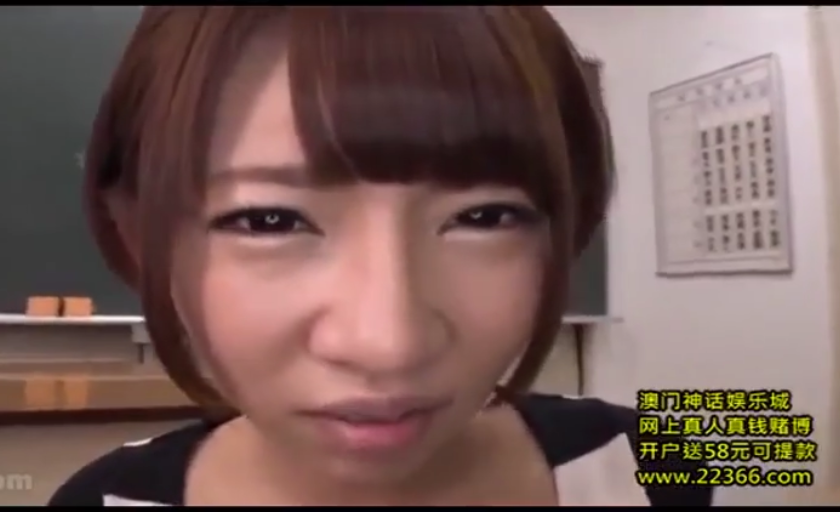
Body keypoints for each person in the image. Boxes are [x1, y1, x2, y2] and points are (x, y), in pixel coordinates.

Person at [50, 6, 711, 506]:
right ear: (140, 235)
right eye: (269, 220)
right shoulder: (101, 502)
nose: (389, 345)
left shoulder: (660, 461)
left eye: (484, 217)